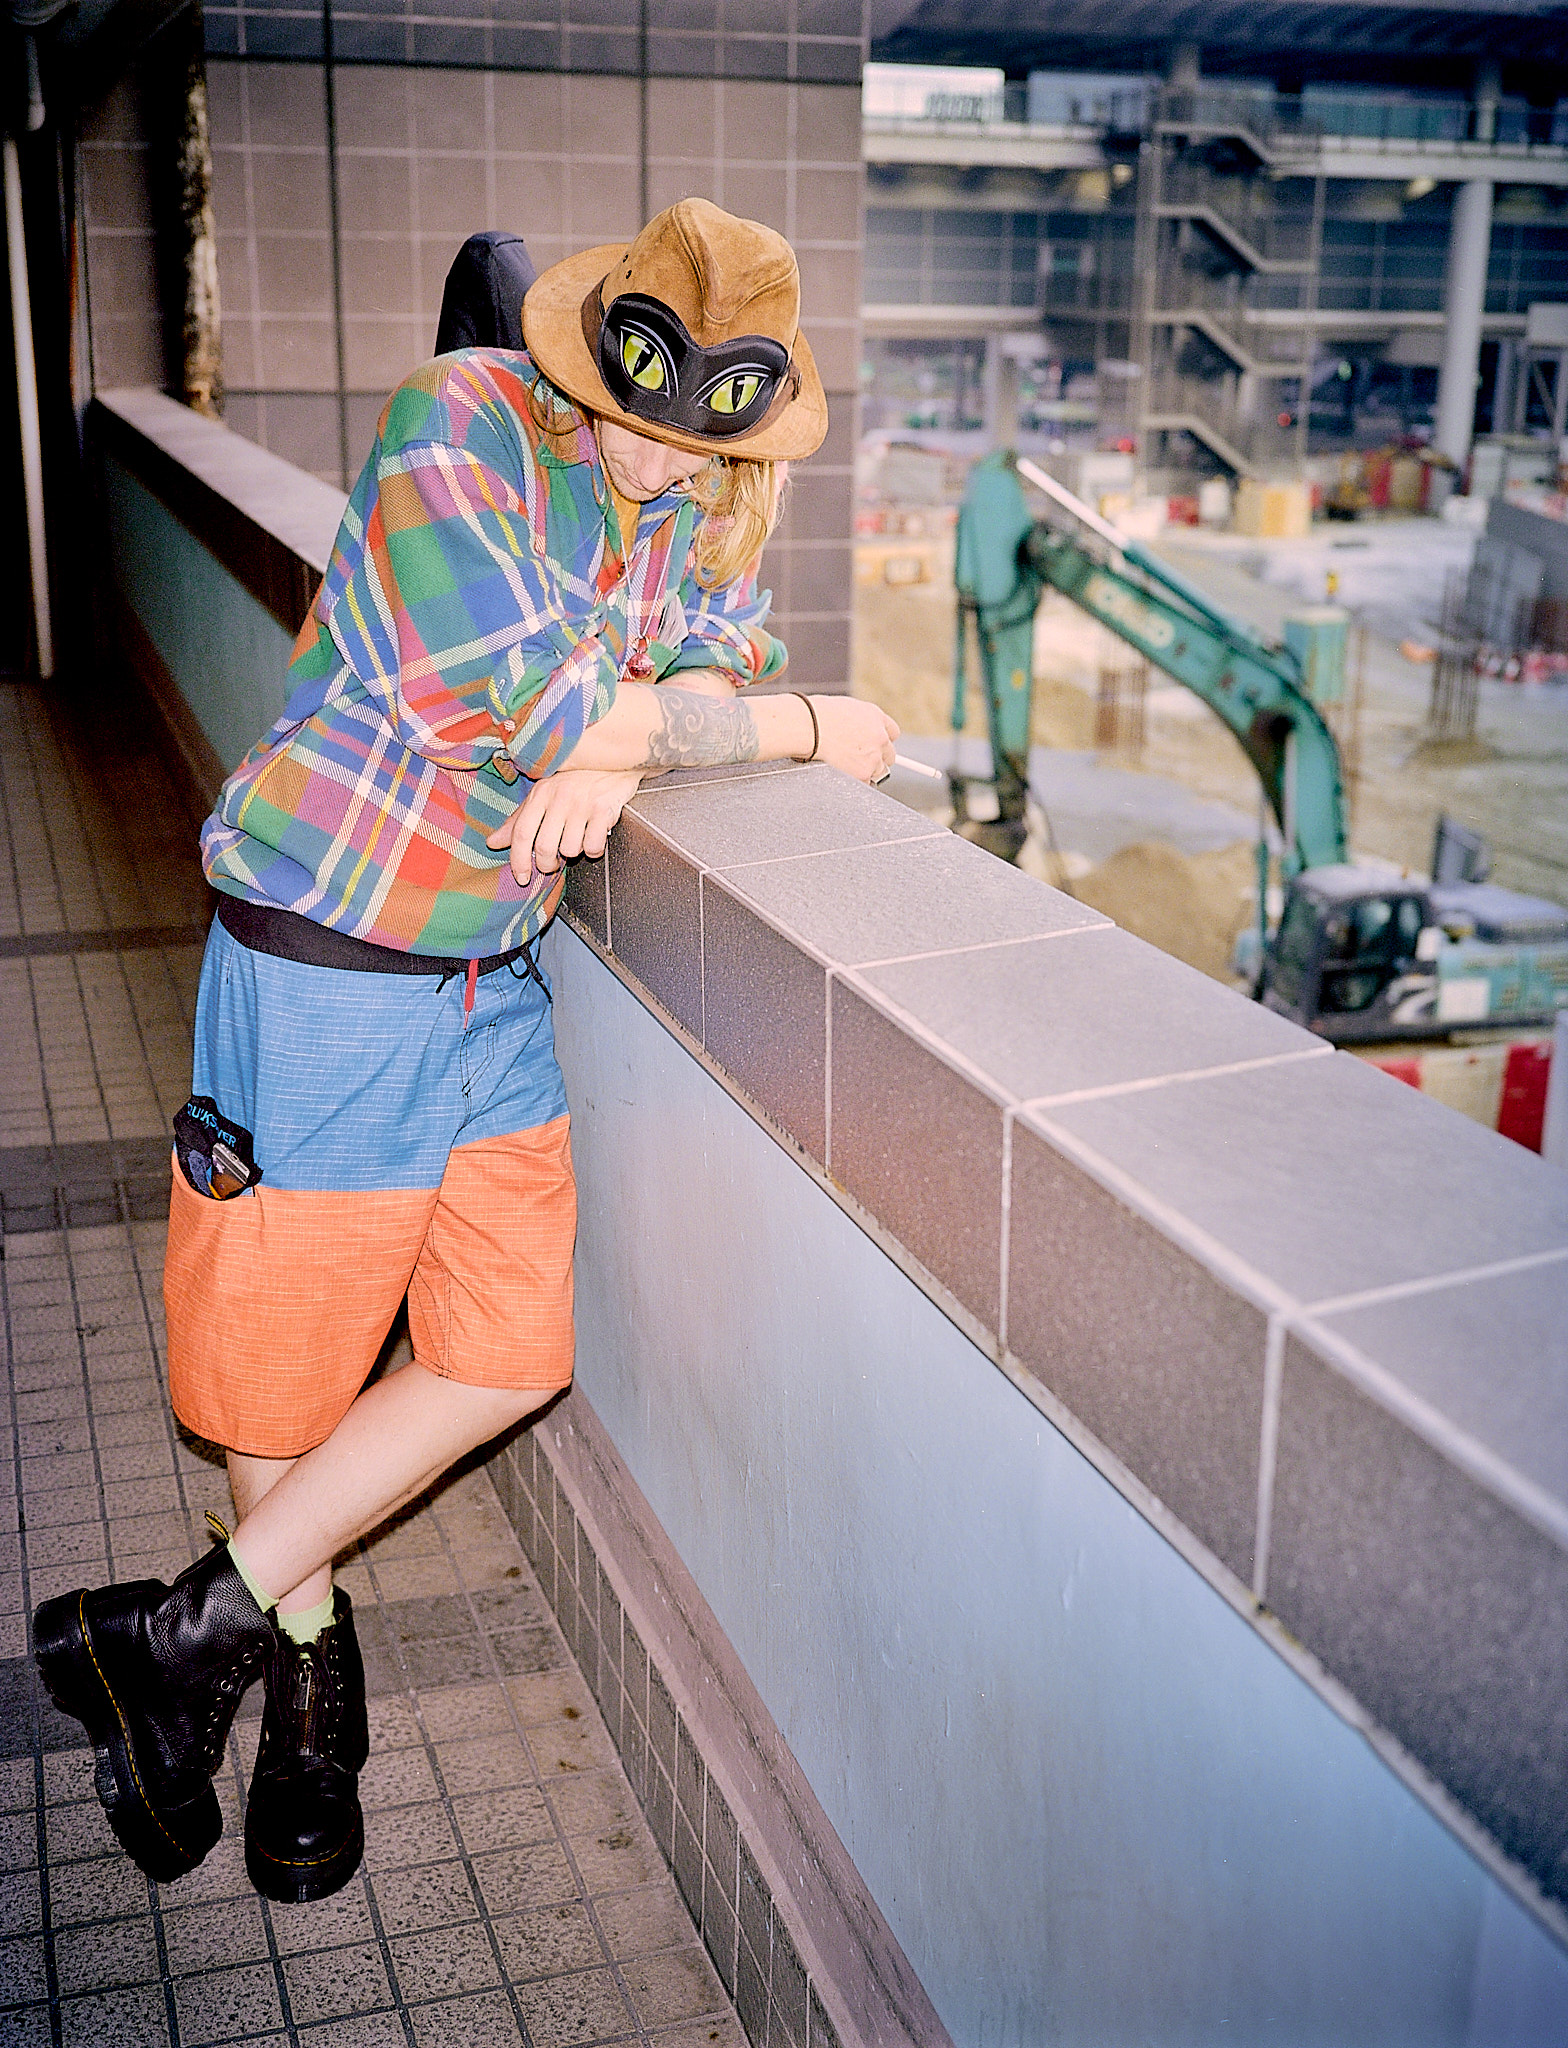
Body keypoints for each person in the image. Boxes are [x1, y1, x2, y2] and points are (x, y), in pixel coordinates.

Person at [33, 198, 897, 1904]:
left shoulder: (690, 503)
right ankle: (304, 1694)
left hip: (490, 975)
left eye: (704, 442)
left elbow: (708, 646)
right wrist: (767, 726)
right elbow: (543, 705)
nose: (663, 464)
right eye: (644, 419)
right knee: (281, 1390)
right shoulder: (460, 424)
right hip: (332, 958)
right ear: (587, 356)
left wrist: (635, 731)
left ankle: (178, 1636)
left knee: (510, 1350)